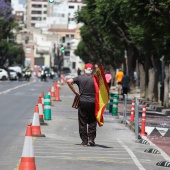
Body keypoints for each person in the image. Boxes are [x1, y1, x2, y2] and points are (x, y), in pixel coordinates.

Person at [67, 63, 97, 146]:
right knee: (93, 121)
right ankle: (91, 138)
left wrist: (75, 92)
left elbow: (69, 81)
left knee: (82, 121)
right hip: (93, 102)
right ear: (92, 70)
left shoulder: (80, 78)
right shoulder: (96, 78)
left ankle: (84, 141)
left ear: (84, 69)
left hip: (82, 101)